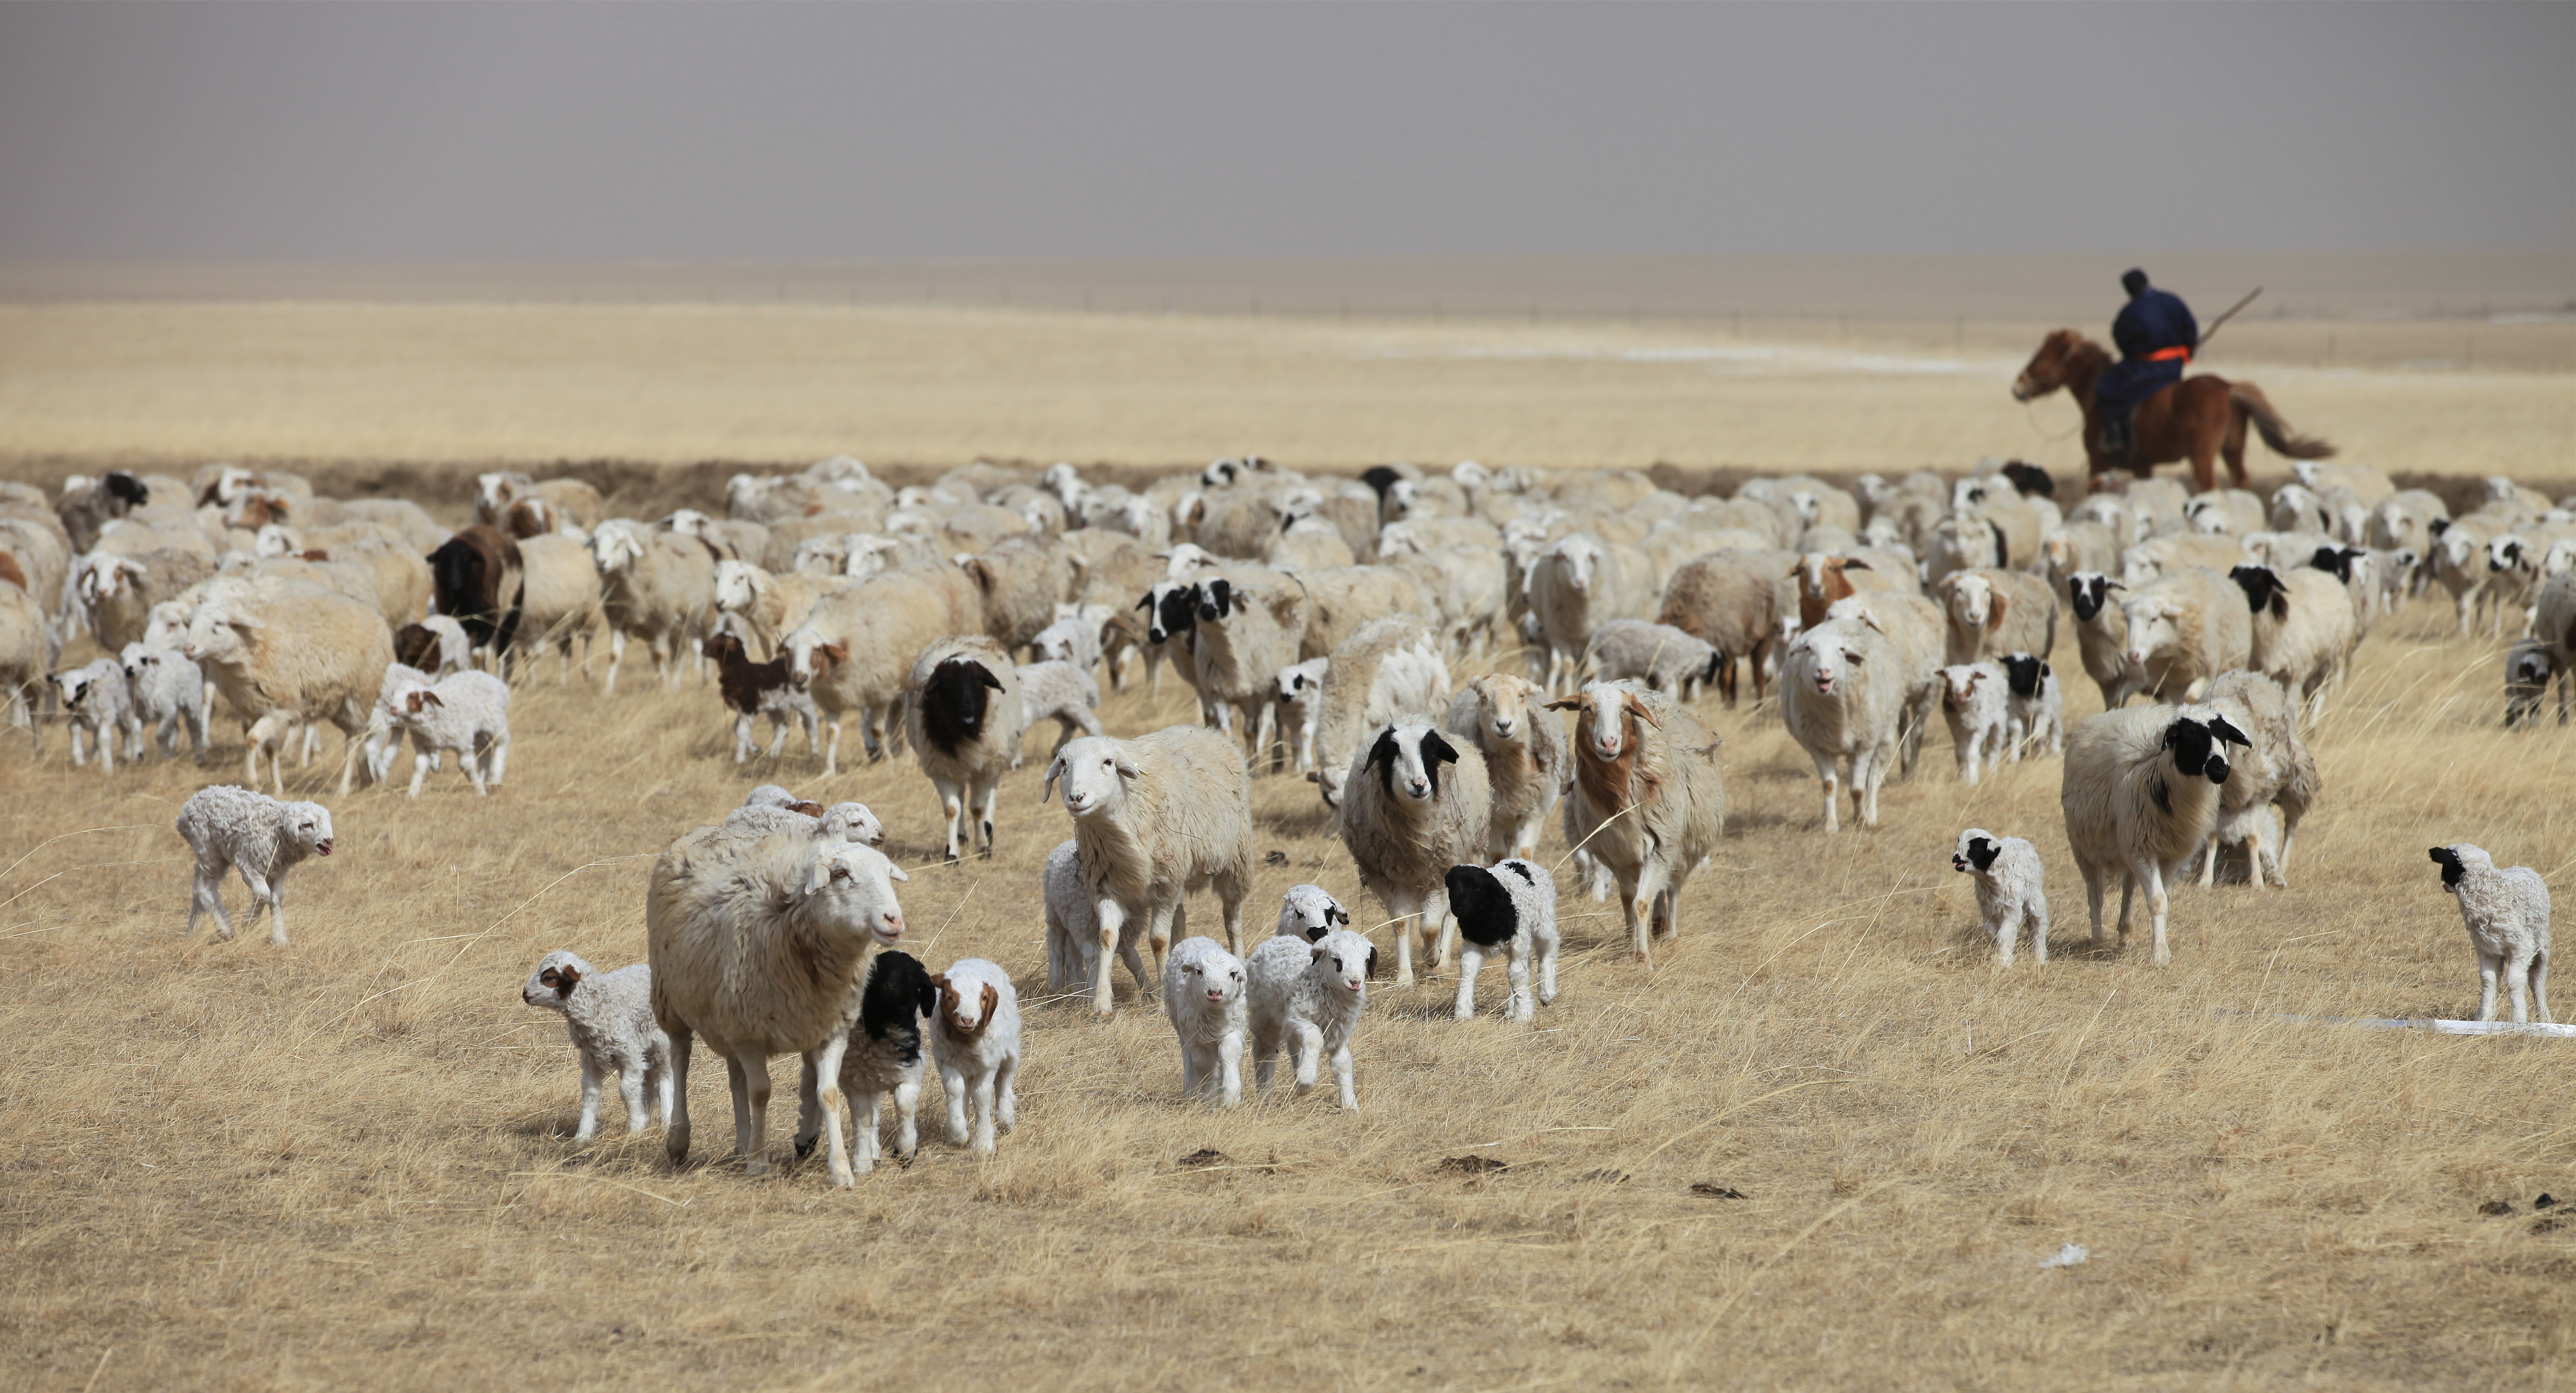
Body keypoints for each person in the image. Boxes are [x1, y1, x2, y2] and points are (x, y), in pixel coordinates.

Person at [2094, 268, 2198, 465]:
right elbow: (2191, 328)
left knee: (2106, 387)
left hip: (2147, 369)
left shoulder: (2131, 311)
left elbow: (2122, 341)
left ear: (2128, 289)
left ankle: (2115, 435)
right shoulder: (2172, 300)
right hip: (2176, 365)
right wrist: (2187, 350)